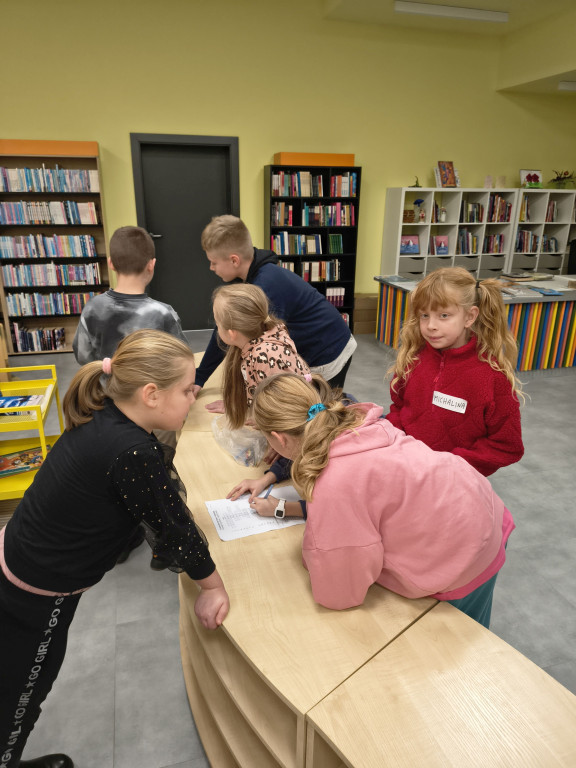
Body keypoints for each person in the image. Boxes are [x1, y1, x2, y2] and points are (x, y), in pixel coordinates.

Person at [0, 330, 229, 768]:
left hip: (21, 559)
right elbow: (174, 528)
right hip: (34, 590)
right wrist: (213, 587)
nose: (193, 395)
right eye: (186, 389)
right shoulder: (133, 451)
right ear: (151, 395)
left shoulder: (108, 417)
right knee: (22, 692)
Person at [248, 373, 514, 627]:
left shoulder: (334, 482)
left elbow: (341, 591)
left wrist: (312, 554)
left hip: (463, 550)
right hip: (480, 506)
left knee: (459, 645)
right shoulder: (360, 422)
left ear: (278, 439)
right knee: (474, 627)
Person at [73, 225, 190, 563]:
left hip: (107, 410)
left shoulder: (92, 309)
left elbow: (83, 356)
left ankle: (120, 538)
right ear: (151, 265)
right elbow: (180, 361)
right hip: (153, 413)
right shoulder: (163, 314)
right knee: (159, 473)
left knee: (116, 476)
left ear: (111, 263)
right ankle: (166, 535)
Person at [193, 215, 356, 396]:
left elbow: (259, 351)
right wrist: (200, 377)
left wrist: (240, 402)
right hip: (321, 342)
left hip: (329, 350)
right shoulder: (252, 277)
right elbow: (225, 327)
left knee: (315, 410)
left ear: (234, 260)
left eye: (214, 262)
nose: (211, 267)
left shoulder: (266, 287)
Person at [385, 267, 524, 476]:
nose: (431, 325)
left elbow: (507, 445)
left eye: (443, 315)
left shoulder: (493, 377)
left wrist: (451, 465)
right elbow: (399, 407)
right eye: (424, 315)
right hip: (408, 469)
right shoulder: (413, 359)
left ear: (469, 317)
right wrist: (397, 441)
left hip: (456, 482)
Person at [210, 283, 311, 427]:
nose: (216, 327)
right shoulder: (261, 338)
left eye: (217, 323)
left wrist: (260, 419)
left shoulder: (264, 356)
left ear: (232, 334)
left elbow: (283, 411)